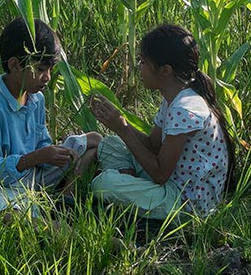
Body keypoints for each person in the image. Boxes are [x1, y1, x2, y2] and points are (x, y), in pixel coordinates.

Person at [88, 24, 235, 219]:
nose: (139, 68)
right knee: (109, 144)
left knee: (103, 184)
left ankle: (131, 197)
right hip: (173, 182)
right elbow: (153, 145)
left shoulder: (184, 109)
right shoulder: (173, 99)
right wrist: (119, 122)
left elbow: (159, 174)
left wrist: (122, 129)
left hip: (186, 204)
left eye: (143, 62)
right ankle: (133, 193)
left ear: (165, 70)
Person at [0, 17, 101, 215]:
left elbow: (41, 143)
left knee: (93, 141)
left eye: (50, 70)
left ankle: (65, 201)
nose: (48, 77)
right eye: (41, 69)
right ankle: (56, 228)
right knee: (9, 215)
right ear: (15, 65)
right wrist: (34, 158)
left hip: (31, 177)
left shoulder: (36, 99)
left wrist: (52, 154)